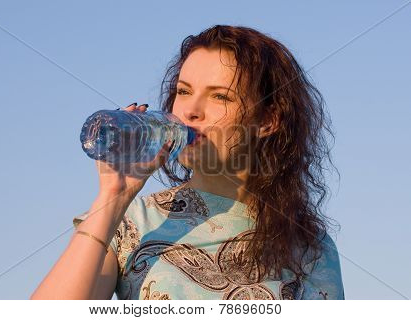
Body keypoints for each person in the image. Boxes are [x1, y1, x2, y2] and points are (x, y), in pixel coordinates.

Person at [31, 25, 344, 300]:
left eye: (220, 96)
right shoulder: (132, 223)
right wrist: (112, 197)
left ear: (268, 119)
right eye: (183, 91)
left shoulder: (308, 246)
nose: (191, 110)